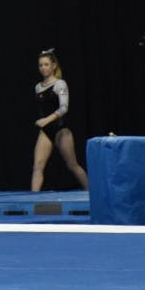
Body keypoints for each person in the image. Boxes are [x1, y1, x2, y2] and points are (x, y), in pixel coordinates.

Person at [31, 49, 89, 191]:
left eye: (46, 64)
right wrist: (45, 124)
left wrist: (45, 120)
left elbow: (64, 108)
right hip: (46, 132)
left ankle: (92, 194)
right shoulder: (38, 87)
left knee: (72, 165)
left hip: (61, 130)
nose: (43, 68)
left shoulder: (60, 84)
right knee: (37, 167)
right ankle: (31, 202)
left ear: (54, 66)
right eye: (40, 65)